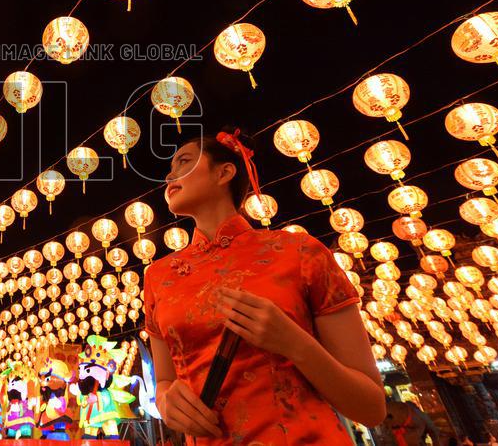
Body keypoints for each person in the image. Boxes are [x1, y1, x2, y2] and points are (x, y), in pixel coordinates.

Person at [145, 129, 387, 444]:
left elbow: (371, 408)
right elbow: (164, 381)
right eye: (171, 166)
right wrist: (165, 402)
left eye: (184, 161)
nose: (170, 175)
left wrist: (295, 344)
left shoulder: (299, 251)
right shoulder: (158, 275)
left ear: (225, 172)